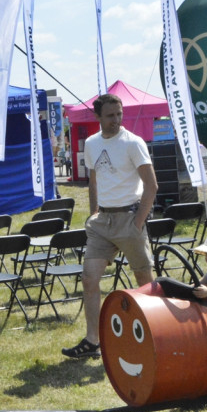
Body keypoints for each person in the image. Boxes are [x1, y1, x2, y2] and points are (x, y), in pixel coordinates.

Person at [62, 93, 156, 359]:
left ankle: (154, 334)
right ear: (98, 117)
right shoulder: (91, 144)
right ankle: (93, 341)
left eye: (119, 114)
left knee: (144, 280)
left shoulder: (133, 143)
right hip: (102, 222)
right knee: (90, 278)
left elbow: (151, 185)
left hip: (129, 219)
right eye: (110, 115)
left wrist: (138, 222)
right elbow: (93, 181)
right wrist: (93, 214)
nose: (116, 120)